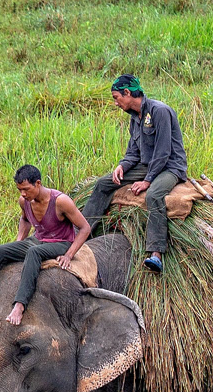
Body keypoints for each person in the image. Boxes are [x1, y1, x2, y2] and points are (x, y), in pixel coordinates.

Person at [0, 164, 92, 325]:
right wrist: (19, 241)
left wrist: (69, 254)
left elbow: (85, 228)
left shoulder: (61, 201)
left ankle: (20, 305)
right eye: (19, 189)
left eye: (26, 189)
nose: (23, 193)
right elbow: (25, 219)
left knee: (34, 252)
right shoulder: (24, 201)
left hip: (60, 242)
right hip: (38, 239)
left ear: (38, 183)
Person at [80, 74, 187, 273]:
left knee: (154, 195)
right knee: (103, 184)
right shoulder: (134, 119)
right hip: (146, 165)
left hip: (169, 167)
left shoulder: (160, 111)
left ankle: (156, 254)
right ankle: (82, 234)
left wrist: (147, 181)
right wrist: (122, 166)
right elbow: (133, 152)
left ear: (127, 93)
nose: (115, 103)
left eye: (116, 97)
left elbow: (163, 152)